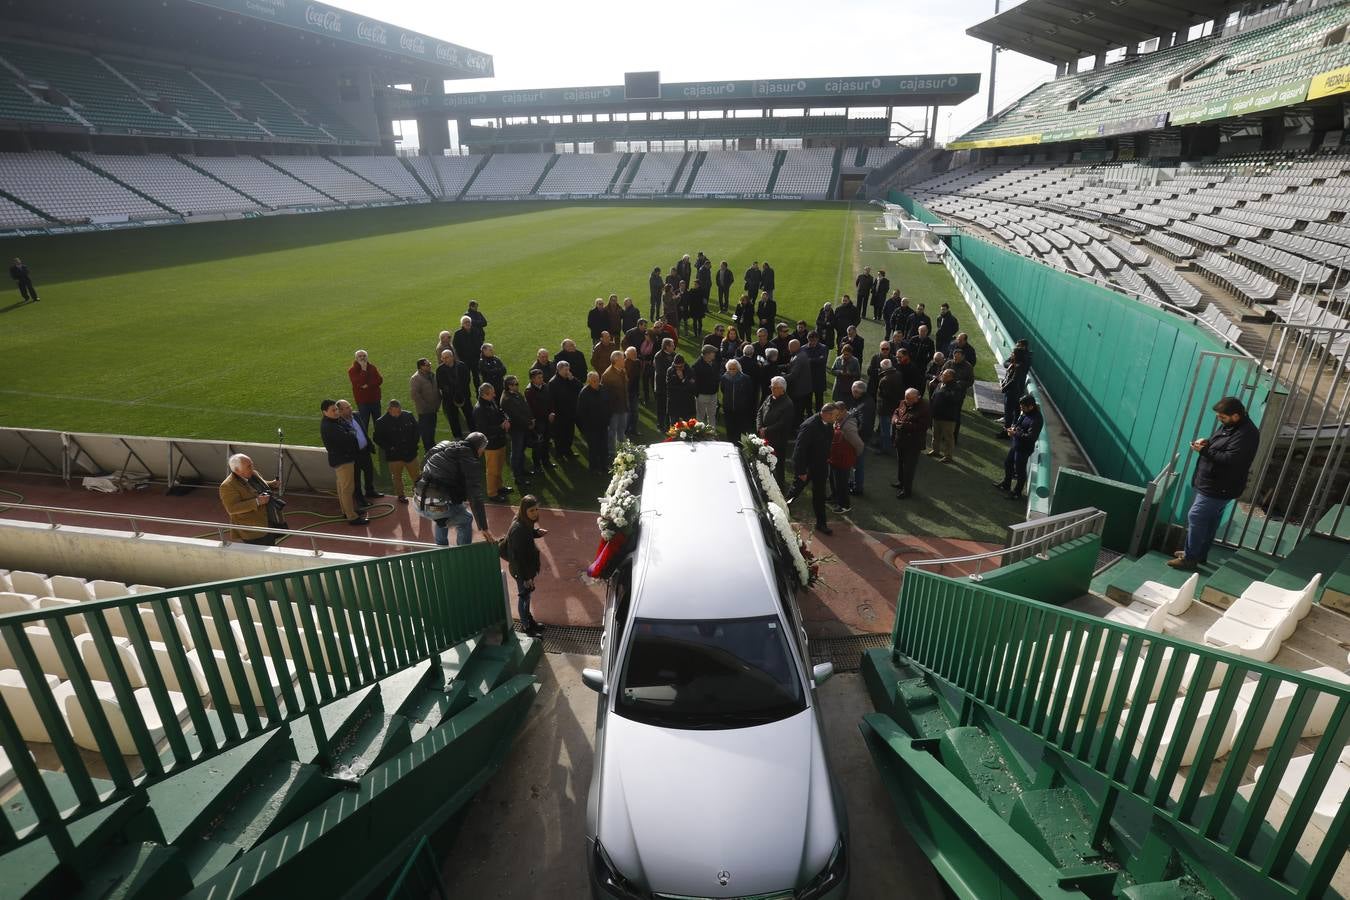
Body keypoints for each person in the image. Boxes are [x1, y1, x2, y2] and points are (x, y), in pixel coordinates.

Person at [1169, 397, 1261, 570]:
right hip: (1214, 483)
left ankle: (1190, 558)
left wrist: (1204, 450)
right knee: (1209, 520)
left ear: (1235, 416)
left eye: (1223, 417)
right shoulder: (1232, 425)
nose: (1220, 420)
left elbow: (1231, 459)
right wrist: (1208, 443)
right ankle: (1198, 554)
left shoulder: (1246, 434)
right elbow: (1223, 446)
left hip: (1220, 486)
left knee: (1196, 516)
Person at [417, 433, 495, 546]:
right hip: (435, 507)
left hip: (419, 501)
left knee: (444, 516)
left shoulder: (445, 446)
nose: (482, 453)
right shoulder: (470, 461)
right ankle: (462, 552)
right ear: (478, 448)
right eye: (482, 450)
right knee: (466, 519)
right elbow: (475, 495)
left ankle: (441, 548)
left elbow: (423, 464)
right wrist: (483, 527)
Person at [791, 403, 843, 535]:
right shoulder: (809, 426)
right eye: (835, 416)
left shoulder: (828, 424)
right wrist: (801, 471)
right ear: (827, 414)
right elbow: (799, 450)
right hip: (807, 468)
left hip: (821, 466)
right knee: (794, 492)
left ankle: (821, 524)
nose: (836, 419)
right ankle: (779, 512)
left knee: (820, 495)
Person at [504, 495, 548, 637]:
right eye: (531, 510)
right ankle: (526, 627)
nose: (535, 513)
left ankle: (529, 621)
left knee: (527, 596)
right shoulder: (518, 528)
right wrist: (527, 578)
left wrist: (536, 533)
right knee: (524, 597)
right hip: (522, 571)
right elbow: (519, 558)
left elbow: (527, 536)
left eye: (536, 509)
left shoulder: (524, 522)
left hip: (526, 569)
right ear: (524, 511)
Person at [320, 399, 367, 526]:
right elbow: (348, 437)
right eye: (333, 410)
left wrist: (349, 432)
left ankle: (347, 511)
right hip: (343, 460)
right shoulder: (330, 426)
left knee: (342, 487)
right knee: (347, 488)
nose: (336, 412)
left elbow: (348, 432)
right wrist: (351, 433)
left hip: (340, 459)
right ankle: (351, 516)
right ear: (324, 412)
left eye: (336, 409)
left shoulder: (332, 422)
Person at [219, 453, 285, 545]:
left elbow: (260, 485)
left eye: (252, 464)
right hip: (254, 531)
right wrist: (257, 502)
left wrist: (271, 484)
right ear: (237, 470)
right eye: (249, 466)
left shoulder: (253, 473)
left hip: (269, 522)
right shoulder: (227, 486)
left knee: (271, 547)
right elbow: (232, 508)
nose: (252, 468)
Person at [994, 395, 1044, 503]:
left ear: (1030, 406)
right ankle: (1006, 484)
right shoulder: (1026, 413)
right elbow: (1020, 424)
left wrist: (1015, 433)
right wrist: (1013, 428)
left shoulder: (1037, 419)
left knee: (1020, 471)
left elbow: (1031, 437)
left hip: (1024, 449)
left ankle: (1017, 492)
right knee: (1008, 463)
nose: (1021, 409)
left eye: (1023, 407)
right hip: (1016, 444)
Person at [373, 400, 422, 502]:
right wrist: (389, 448)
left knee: (417, 477)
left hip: (411, 454)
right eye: (396, 411)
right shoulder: (381, 422)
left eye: (399, 411)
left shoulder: (408, 415)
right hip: (394, 456)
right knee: (397, 477)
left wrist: (414, 444)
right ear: (389, 410)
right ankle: (401, 496)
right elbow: (377, 438)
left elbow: (416, 430)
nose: (398, 413)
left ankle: (419, 495)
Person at [336, 399, 381, 510]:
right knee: (356, 478)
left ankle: (370, 491)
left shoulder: (356, 415)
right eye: (347, 408)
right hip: (354, 455)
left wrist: (369, 444)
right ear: (340, 411)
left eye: (350, 406)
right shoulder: (339, 424)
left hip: (365, 450)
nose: (350, 409)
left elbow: (363, 431)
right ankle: (360, 499)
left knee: (369, 472)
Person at [473, 382, 510, 502]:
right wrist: (501, 427)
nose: (494, 395)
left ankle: (499, 486)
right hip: (491, 444)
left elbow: (500, 411)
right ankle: (492, 493)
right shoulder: (479, 409)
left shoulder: (490, 402)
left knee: (499, 466)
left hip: (499, 440)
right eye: (492, 393)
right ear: (485, 394)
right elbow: (484, 430)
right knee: (492, 469)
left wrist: (505, 419)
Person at [892, 388, 931, 499]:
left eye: (909, 399)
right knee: (900, 462)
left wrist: (904, 425)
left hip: (913, 443)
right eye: (906, 397)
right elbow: (896, 412)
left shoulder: (924, 408)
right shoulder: (903, 402)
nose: (906, 400)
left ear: (917, 397)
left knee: (909, 467)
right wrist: (895, 420)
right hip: (901, 439)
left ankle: (906, 490)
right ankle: (901, 482)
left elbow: (923, 426)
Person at [757, 375, 795, 485]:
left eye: (774, 387)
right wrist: (760, 428)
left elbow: (783, 423)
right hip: (764, 436)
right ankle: (765, 483)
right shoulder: (769, 397)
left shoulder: (787, 404)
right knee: (764, 462)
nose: (771, 389)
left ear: (782, 389)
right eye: (771, 387)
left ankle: (779, 487)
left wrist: (766, 430)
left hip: (778, 440)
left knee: (778, 465)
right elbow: (760, 412)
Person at [828, 398, 863, 513]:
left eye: (836, 414)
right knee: (833, 479)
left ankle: (844, 505)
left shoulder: (848, 426)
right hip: (835, 458)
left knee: (841, 483)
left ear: (843, 411)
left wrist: (852, 457)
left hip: (843, 460)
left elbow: (859, 444)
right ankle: (835, 497)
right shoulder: (840, 420)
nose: (834, 416)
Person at [500, 374, 535, 489]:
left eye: (517, 383)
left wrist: (531, 419)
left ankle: (522, 470)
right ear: (509, 386)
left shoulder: (516, 394)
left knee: (521, 451)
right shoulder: (506, 399)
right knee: (516, 453)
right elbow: (516, 416)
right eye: (515, 384)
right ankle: (518, 477)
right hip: (516, 430)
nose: (517, 386)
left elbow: (525, 407)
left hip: (523, 427)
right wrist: (528, 423)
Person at [576, 371, 611, 474]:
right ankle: (594, 468)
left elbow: (608, 404)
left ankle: (604, 465)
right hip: (591, 427)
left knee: (604, 447)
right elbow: (581, 412)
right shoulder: (584, 393)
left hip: (603, 425)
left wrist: (608, 419)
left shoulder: (603, 389)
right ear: (588, 381)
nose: (596, 382)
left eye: (597, 380)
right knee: (594, 448)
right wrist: (585, 428)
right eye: (594, 381)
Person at [844, 381, 874, 496]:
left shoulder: (865, 404)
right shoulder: (862, 400)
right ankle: (855, 483)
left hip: (860, 438)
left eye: (854, 391)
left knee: (858, 463)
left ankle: (858, 488)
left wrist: (854, 436)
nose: (853, 393)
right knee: (856, 463)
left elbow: (864, 425)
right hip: (860, 437)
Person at [548, 361, 581, 459]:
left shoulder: (570, 379)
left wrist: (572, 379)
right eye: (565, 370)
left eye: (568, 369)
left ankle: (568, 451)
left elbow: (580, 388)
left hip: (570, 412)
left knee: (569, 433)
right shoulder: (553, 382)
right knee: (560, 435)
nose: (567, 372)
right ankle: (559, 453)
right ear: (559, 370)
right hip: (560, 413)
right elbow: (551, 399)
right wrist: (553, 412)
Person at [525, 368, 555, 472]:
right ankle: (537, 465)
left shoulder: (545, 386)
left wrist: (551, 412)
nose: (542, 379)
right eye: (539, 377)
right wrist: (547, 414)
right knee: (538, 444)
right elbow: (533, 408)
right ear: (532, 379)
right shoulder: (529, 391)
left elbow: (551, 400)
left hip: (547, 419)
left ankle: (546, 461)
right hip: (538, 422)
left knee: (546, 442)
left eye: (542, 377)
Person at [436, 349, 470, 440]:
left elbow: (467, 380)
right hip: (449, 399)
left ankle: (474, 433)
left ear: (452, 357)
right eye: (443, 358)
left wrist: (460, 391)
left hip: (464, 395)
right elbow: (441, 385)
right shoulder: (440, 369)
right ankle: (458, 437)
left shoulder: (461, 366)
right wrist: (452, 392)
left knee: (469, 414)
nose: (444, 360)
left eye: (446, 357)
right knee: (453, 418)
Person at [927, 371, 961, 463]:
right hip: (937, 415)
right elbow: (934, 396)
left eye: (945, 375)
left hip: (948, 418)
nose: (942, 376)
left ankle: (948, 456)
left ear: (951, 377)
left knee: (948, 438)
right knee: (935, 435)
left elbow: (954, 399)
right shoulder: (940, 384)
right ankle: (935, 450)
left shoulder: (956, 387)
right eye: (942, 375)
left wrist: (943, 390)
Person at [720, 358, 755, 444]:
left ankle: (740, 445)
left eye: (734, 369)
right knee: (730, 428)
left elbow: (750, 393)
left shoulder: (745, 378)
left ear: (738, 369)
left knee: (740, 429)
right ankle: (731, 444)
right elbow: (723, 390)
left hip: (741, 409)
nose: (732, 371)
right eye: (730, 369)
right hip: (728, 408)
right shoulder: (724, 378)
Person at [347, 350, 383, 432]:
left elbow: (380, 380)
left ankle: (380, 440)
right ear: (356, 358)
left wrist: (369, 385)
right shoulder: (352, 370)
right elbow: (360, 383)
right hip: (363, 402)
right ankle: (365, 442)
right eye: (360, 356)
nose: (362, 358)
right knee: (364, 423)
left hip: (375, 400)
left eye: (364, 356)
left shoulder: (372, 367)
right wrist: (363, 370)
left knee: (378, 422)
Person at [409, 357, 441, 452]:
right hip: (424, 410)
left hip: (433, 408)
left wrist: (438, 402)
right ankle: (428, 449)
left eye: (429, 364)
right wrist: (426, 407)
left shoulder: (431, 375)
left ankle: (432, 445)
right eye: (427, 365)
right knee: (426, 430)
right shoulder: (416, 378)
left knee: (432, 428)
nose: (430, 366)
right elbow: (415, 395)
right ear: (421, 367)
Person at [601, 350, 628, 456]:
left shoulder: (622, 370)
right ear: (616, 360)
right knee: (612, 432)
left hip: (623, 406)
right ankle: (612, 453)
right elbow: (604, 395)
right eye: (623, 358)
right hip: (614, 410)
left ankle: (622, 450)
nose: (624, 360)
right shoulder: (607, 375)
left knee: (622, 429)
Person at [1001, 340, 1031, 429]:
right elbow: (1005, 363)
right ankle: (1008, 426)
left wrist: (1004, 387)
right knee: (1008, 410)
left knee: (1011, 410)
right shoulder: (1015, 364)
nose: (1011, 355)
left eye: (1013, 354)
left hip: (1014, 390)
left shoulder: (1020, 365)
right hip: (1011, 390)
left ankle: (1008, 428)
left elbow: (1014, 380)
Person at [785, 339, 813, 423]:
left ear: (795, 347)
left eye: (790, 347)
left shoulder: (799, 357)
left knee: (798, 411)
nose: (788, 348)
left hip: (799, 390)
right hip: (803, 389)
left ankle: (796, 427)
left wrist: (780, 378)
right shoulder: (799, 354)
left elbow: (793, 375)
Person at [453, 314, 484, 388]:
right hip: (465, 360)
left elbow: (480, 343)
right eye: (465, 322)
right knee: (466, 379)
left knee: (476, 377)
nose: (467, 323)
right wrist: (460, 359)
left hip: (475, 359)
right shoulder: (458, 334)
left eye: (468, 322)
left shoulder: (475, 331)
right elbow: (456, 347)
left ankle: (478, 392)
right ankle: (467, 397)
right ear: (462, 324)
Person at [652, 336, 677, 431]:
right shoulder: (658, 356)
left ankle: (668, 425)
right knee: (661, 407)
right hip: (661, 387)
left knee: (669, 407)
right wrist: (673, 375)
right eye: (672, 345)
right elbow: (660, 372)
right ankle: (660, 424)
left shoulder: (674, 355)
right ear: (666, 346)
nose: (674, 347)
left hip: (670, 387)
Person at [693, 345, 720, 427]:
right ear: (707, 354)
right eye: (713, 353)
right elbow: (694, 382)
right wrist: (697, 394)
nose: (715, 354)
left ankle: (712, 436)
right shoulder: (697, 366)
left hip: (713, 394)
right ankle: (699, 436)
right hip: (702, 395)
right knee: (700, 418)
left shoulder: (714, 363)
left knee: (712, 416)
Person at [665, 354, 697, 424]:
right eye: (676, 367)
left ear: (684, 364)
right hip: (674, 404)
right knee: (674, 427)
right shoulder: (670, 371)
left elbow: (692, 387)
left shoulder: (690, 371)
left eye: (680, 366)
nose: (678, 368)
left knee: (690, 426)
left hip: (687, 404)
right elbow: (669, 387)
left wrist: (682, 379)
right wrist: (684, 386)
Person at [804, 331, 829, 410]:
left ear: (818, 339)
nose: (812, 343)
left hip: (819, 378)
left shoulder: (823, 348)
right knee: (808, 399)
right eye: (810, 340)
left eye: (814, 341)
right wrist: (816, 359)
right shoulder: (803, 348)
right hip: (808, 377)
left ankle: (820, 415)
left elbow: (822, 360)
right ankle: (809, 414)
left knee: (819, 400)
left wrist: (809, 360)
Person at [623, 345, 642, 438]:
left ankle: (633, 430)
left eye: (635, 353)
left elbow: (638, 375)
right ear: (627, 355)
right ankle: (626, 432)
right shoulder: (624, 364)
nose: (635, 355)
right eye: (632, 354)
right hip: (626, 393)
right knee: (628, 413)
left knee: (635, 412)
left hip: (634, 391)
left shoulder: (638, 362)